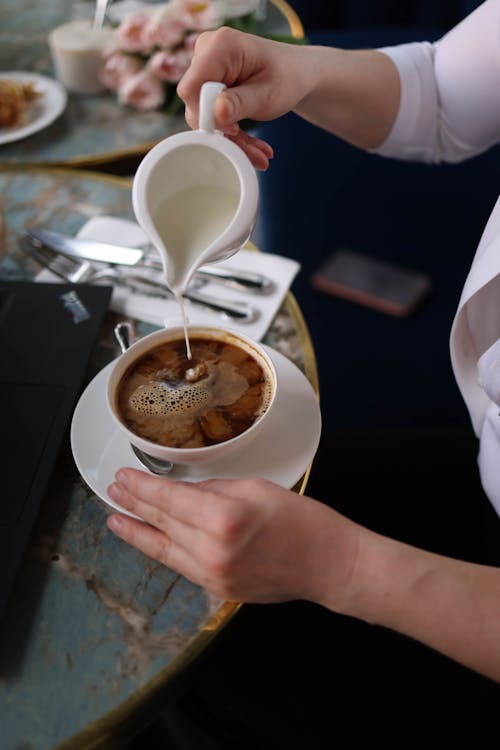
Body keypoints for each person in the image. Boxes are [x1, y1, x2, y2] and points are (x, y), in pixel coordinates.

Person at [111, 1, 500, 743]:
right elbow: (450, 94)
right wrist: (298, 68)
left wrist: (345, 568)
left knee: (202, 685)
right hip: (480, 465)